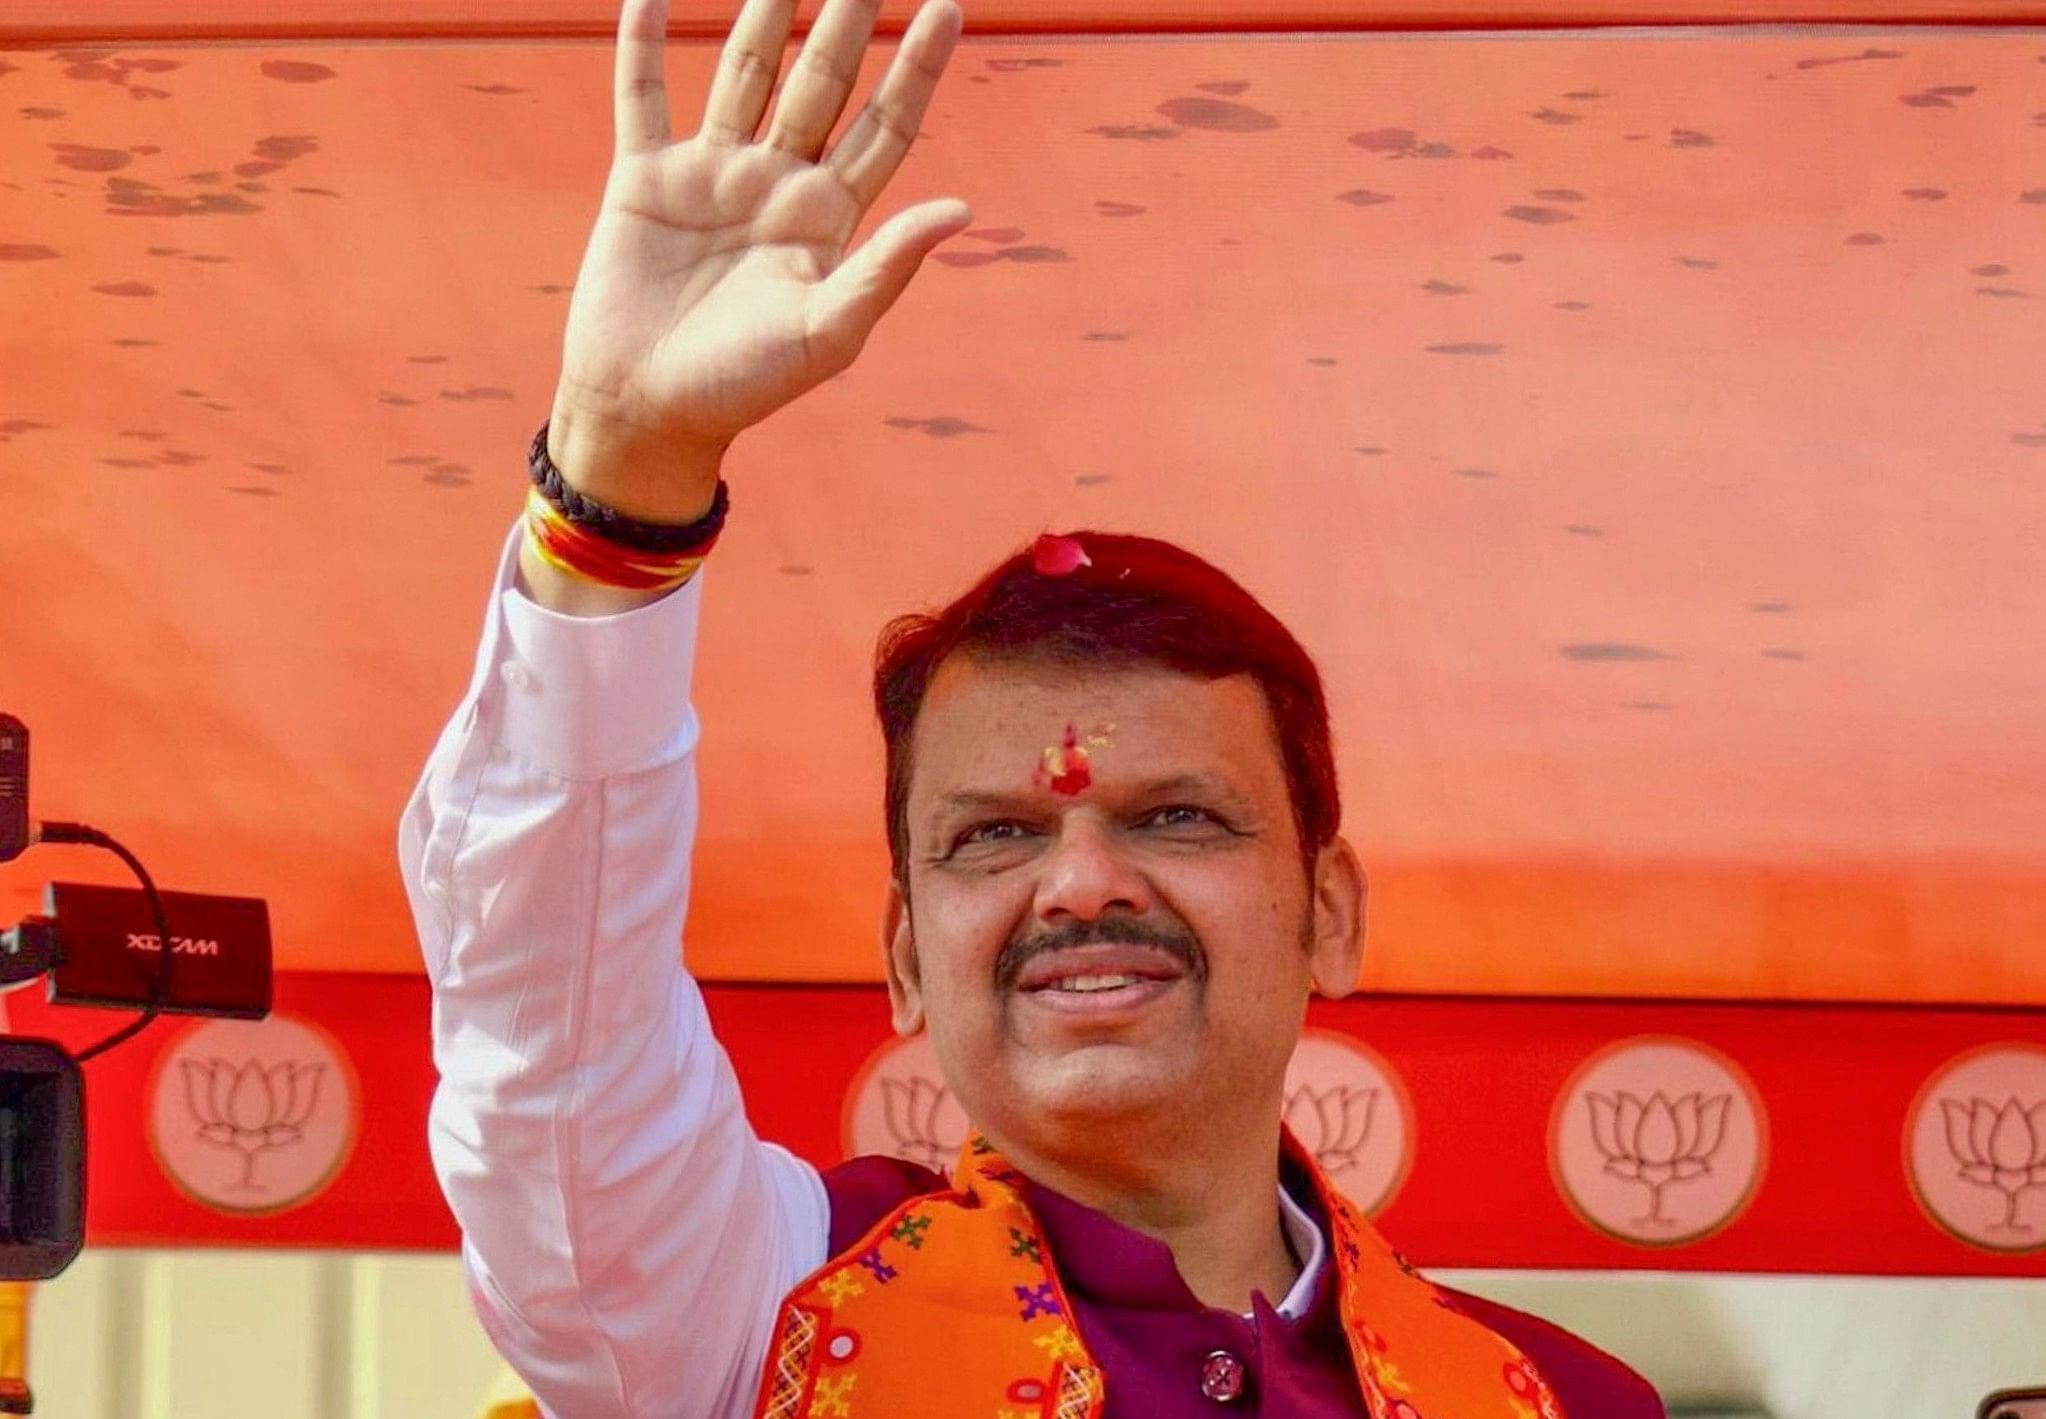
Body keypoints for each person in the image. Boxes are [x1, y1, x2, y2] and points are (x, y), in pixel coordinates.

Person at [399, 0, 1665, 1414]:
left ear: (1332, 911)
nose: (1079, 882)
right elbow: (558, 1073)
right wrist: (621, 476)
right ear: (903, 955)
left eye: (1177, 814)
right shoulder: (762, 1314)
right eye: (990, 838)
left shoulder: (1550, 1398)